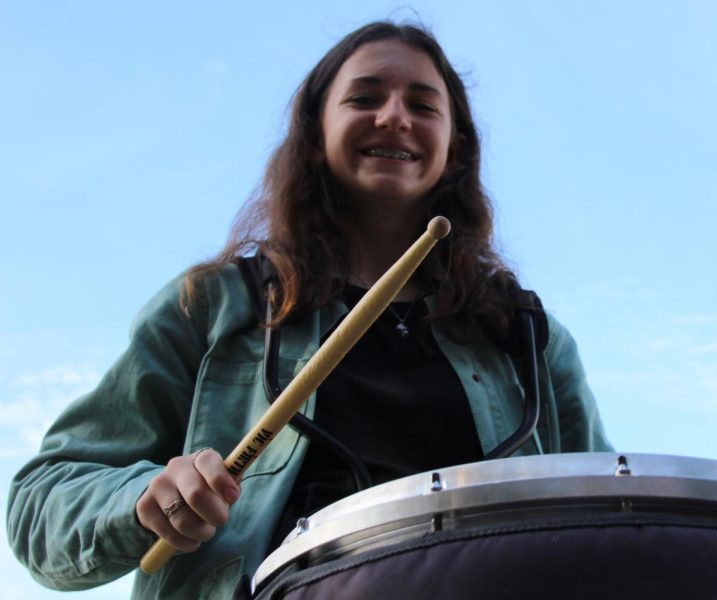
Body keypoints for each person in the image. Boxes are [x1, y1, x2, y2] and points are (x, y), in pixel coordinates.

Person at [7, 21, 612, 599]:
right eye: (365, 97)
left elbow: (613, 518)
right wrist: (144, 497)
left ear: (455, 150)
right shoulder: (213, 306)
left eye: (424, 106)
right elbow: (39, 504)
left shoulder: (528, 338)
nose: (395, 116)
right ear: (315, 136)